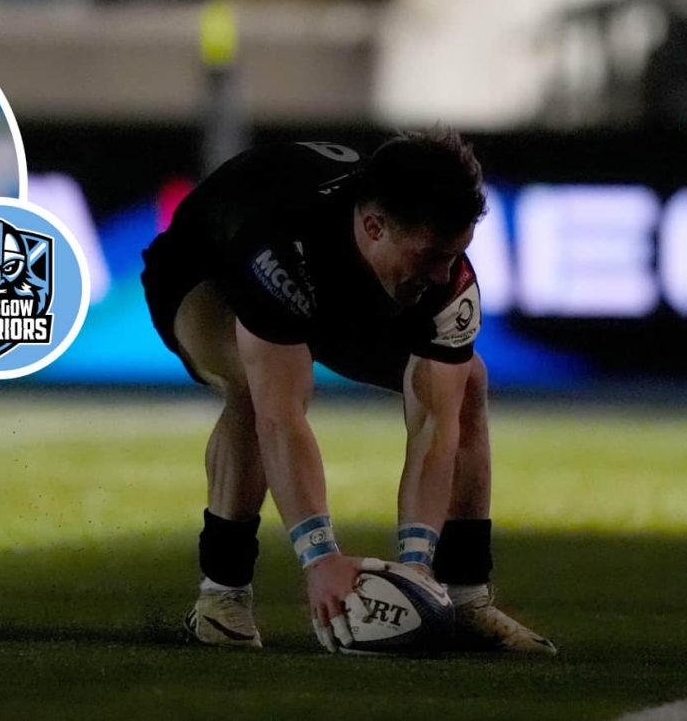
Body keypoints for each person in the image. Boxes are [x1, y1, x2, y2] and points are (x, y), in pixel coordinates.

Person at [141, 130, 557, 654]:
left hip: (343, 290)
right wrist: (321, 559)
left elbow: (434, 425)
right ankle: (222, 598)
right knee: (254, 386)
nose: (442, 273)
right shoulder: (280, 242)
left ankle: (467, 599)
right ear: (374, 226)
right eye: (430, 254)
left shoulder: (447, 279)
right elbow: (281, 417)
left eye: (455, 256)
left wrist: (416, 568)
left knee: (467, 382)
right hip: (204, 270)